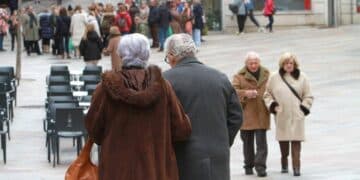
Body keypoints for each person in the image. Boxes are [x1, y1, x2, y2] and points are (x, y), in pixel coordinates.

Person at [85, 33, 192, 180]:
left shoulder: (105, 89)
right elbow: (181, 129)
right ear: (147, 55)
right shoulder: (162, 87)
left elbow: (94, 130)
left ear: (121, 54)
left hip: (116, 172)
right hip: (156, 172)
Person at [163, 33, 243, 180]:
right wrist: (223, 140)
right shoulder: (220, 78)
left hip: (182, 158)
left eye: (167, 58)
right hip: (218, 157)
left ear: (172, 55)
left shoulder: (166, 81)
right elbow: (236, 117)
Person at [263, 52, 314, 176]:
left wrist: (304, 108)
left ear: (295, 64)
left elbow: (308, 96)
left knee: (296, 142)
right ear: (282, 64)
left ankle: (297, 167)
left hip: (297, 115)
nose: (289, 65)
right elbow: (267, 94)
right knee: (284, 141)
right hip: (282, 114)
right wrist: (273, 106)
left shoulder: (303, 77)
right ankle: (284, 163)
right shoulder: (274, 77)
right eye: (286, 63)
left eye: (291, 63)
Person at [232, 51, 270, 177]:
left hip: (261, 112)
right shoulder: (239, 76)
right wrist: (246, 93)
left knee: (262, 143)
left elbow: (272, 89)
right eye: (251, 63)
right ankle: (248, 165)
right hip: (246, 113)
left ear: (259, 63)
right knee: (247, 143)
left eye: (256, 63)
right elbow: (233, 92)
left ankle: (260, 167)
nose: (254, 65)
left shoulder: (266, 74)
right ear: (246, 64)